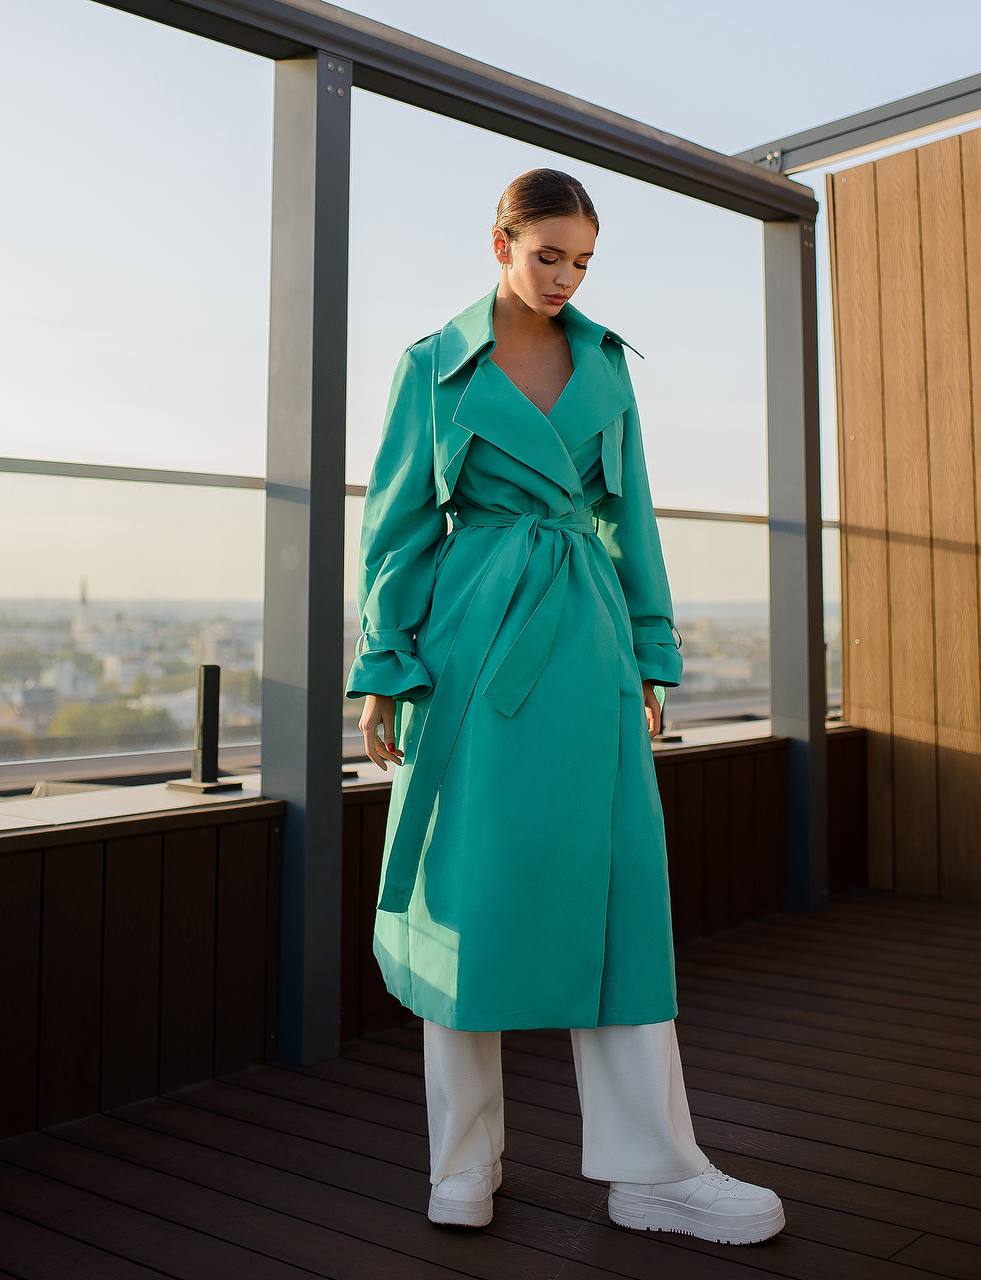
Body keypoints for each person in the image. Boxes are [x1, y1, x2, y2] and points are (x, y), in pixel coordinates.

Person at [345, 168, 784, 1244]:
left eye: (582, 260)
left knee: (622, 893)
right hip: (470, 644)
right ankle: (462, 1163)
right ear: (498, 241)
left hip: (585, 643)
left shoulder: (605, 364)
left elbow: (631, 516)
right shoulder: (432, 367)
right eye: (548, 255)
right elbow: (397, 528)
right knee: (465, 892)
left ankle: (656, 1168)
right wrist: (385, 665)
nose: (565, 278)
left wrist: (649, 653)